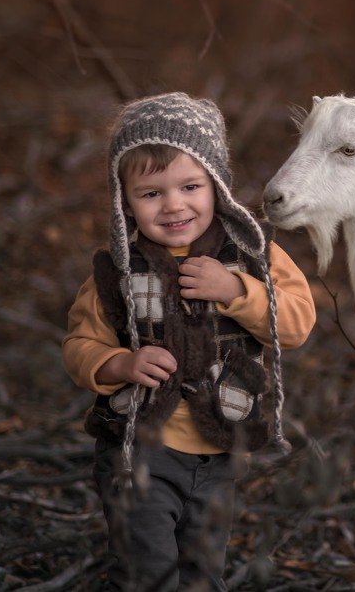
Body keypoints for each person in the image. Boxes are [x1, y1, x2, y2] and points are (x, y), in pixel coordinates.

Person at [62, 92, 316, 590]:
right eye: (151, 193)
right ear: (125, 201)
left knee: (203, 574)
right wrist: (119, 363)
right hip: (138, 450)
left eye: (190, 186)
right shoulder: (116, 272)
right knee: (146, 571)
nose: (174, 204)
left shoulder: (252, 253)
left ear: (216, 185)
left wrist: (236, 291)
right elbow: (79, 345)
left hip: (219, 450)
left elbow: (297, 323)